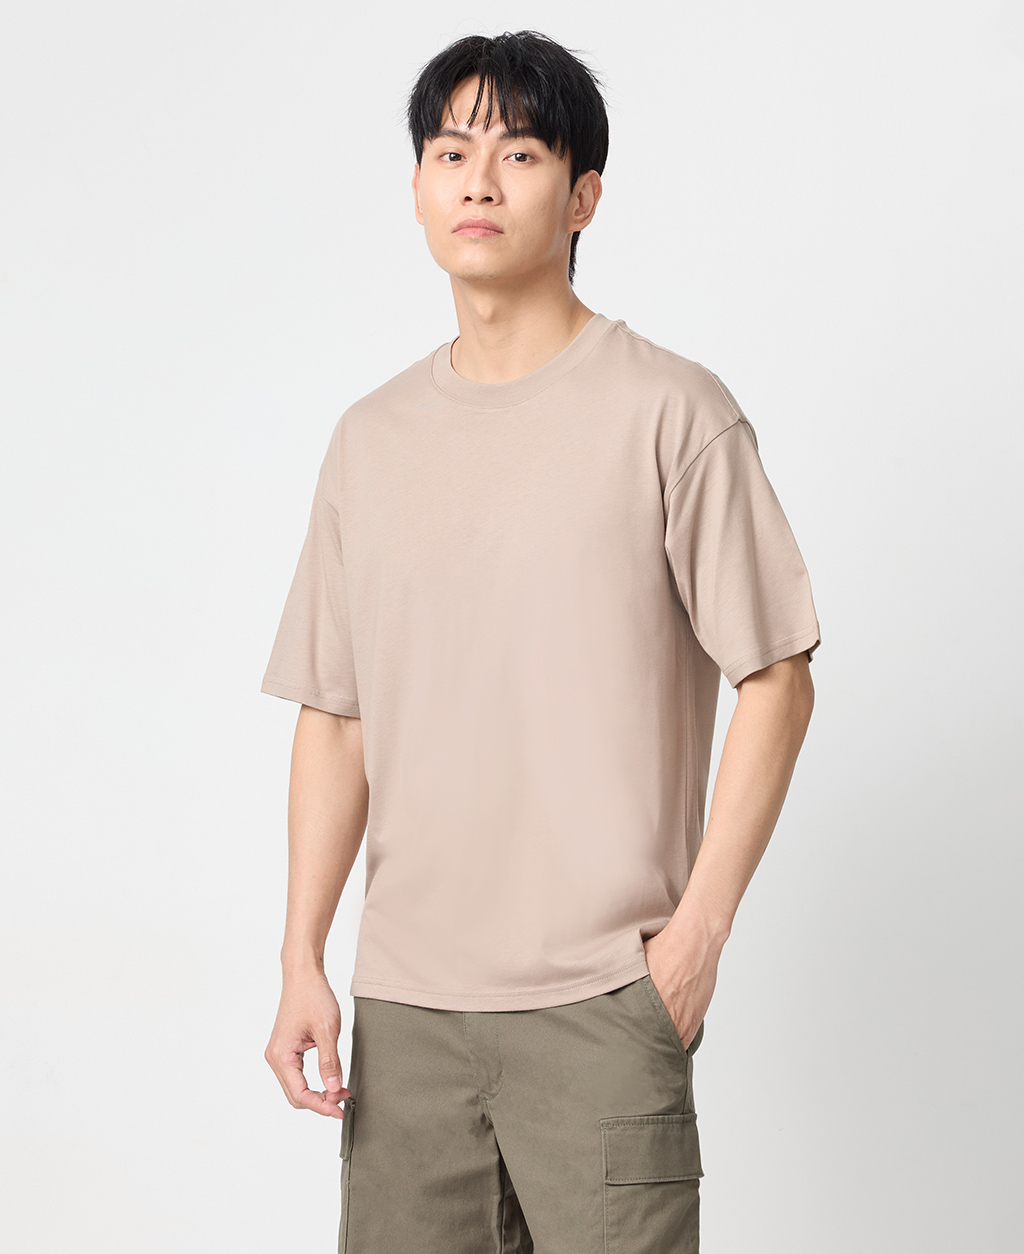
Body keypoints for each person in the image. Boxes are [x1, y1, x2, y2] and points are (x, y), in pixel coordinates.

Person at [260, 28, 820, 1254]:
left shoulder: (672, 411)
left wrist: (695, 941)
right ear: (416, 188)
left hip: (604, 1002)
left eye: (518, 153)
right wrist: (302, 958)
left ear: (582, 198)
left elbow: (777, 678)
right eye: (449, 151)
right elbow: (336, 716)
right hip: (406, 1015)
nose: (478, 180)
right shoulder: (369, 441)